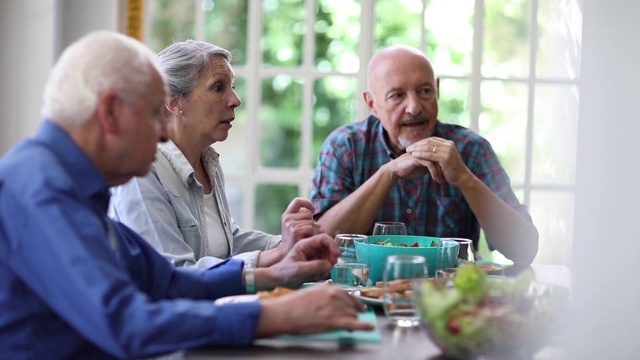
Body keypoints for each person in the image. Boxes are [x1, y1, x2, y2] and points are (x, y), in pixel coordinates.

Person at [0, 31, 372, 359]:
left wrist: (273, 272)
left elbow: (168, 281)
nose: (164, 135)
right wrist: (276, 314)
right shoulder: (40, 187)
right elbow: (126, 322)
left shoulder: (74, 185)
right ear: (111, 113)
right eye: (152, 114)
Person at [310, 45, 538, 265]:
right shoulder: (344, 147)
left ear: (437, 90)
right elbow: (319, 244)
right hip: (362, 294)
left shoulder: (472, 149)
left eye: (425, 91)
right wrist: (388, 172)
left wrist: (465, 179)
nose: (414, 107)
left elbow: (525, 250)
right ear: (372, 103)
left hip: (451, 297)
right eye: (397, 95)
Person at [109, 40, 320, 269]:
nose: (236, 101)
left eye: (233, 87)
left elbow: (227, 242)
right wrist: (274, 256)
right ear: (173, 102)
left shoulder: (208, 161)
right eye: (218, 87)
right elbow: (175, 274)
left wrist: (287, 243)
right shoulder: (142, 173)